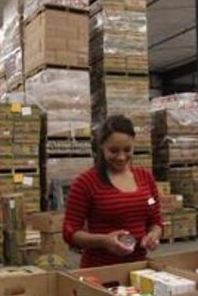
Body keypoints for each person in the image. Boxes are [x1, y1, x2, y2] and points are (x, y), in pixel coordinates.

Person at [62, 115, 163, 268]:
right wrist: (104, 240)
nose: (121, 157)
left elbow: (156, 222)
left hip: (139, 269)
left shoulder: (145, 178)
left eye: (127, 150)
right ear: (102, 146)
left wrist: (153, 235)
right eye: (114, 151)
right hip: (101, 270)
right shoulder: (85, 183)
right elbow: (70, 232)